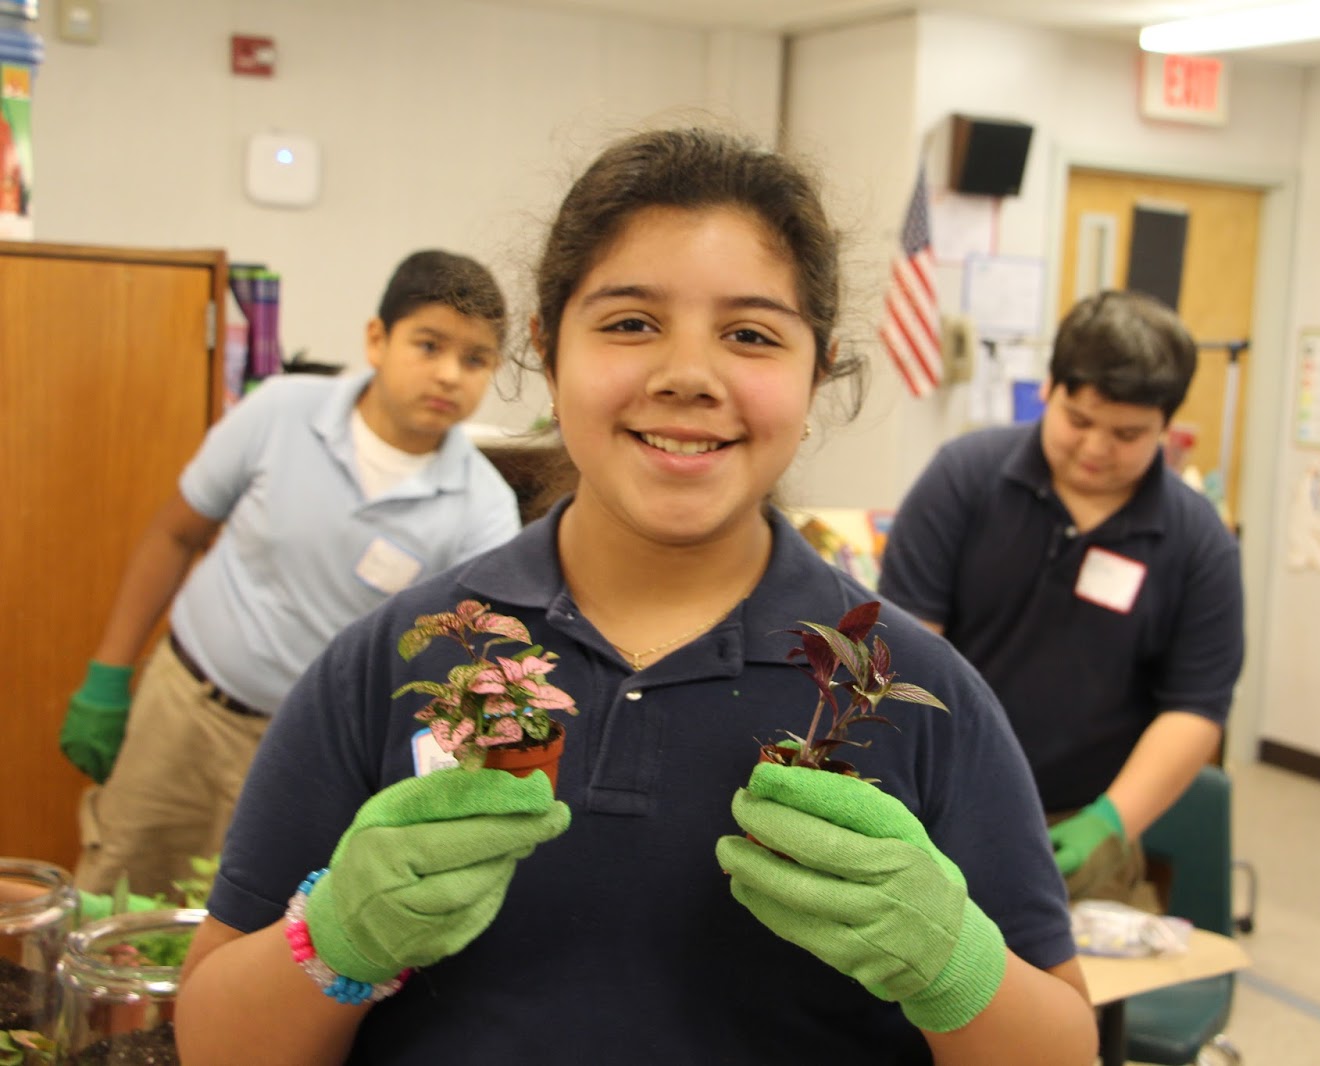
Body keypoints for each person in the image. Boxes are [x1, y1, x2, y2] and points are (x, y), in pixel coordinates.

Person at [174, 128, 1098, 1065]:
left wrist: (953, 964)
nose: (687, 377)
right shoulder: (399, 660)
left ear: (817, 371)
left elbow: (1063, 1047)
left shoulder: (909, 690)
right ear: (545, 348)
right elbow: (213, 1040)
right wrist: (334, 941)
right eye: (628, 323)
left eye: (750, 335)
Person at [61, 249, 522, 899]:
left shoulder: (485, 509)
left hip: (315, 758)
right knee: (118, 900)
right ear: (376, 339)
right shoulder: (278, 412)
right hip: (188, 714)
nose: (449, 374)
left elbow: (461, 667)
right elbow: (176, 532)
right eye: (429, 344)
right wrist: (108, 674)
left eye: (475, 359)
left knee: (262, 932)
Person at [878, 289, 1244, 904]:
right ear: (1049, 390)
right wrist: (936, 803)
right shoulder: (962, 480)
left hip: (1083, 822)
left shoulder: (1199, 543)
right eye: (1079, 420)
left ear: (1166, 427)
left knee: (1073, 999)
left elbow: (1195, 708)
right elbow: (908, 651)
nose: (1096, 450)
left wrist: (1110, 824)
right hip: (936, 811)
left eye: (1128, 434)